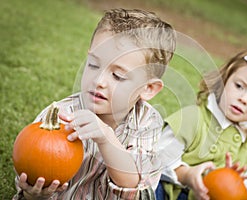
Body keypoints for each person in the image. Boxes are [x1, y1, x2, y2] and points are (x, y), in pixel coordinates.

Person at [13, 8, 176, 200]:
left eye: (118, 75)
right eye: (93, 64)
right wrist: (34, 195)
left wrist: (106, 137)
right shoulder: (60, 116)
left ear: (148, 88)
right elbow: (31, 174)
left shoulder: (148, 123)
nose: (99, 80)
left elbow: (134, 186)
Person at [156, 44, 247, 200]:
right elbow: (159, 157)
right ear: (224, 80)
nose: (243, 99)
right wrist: (186, 174)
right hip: (173, 193)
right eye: (239, 86)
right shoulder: (192, 119)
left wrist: (234, 184)